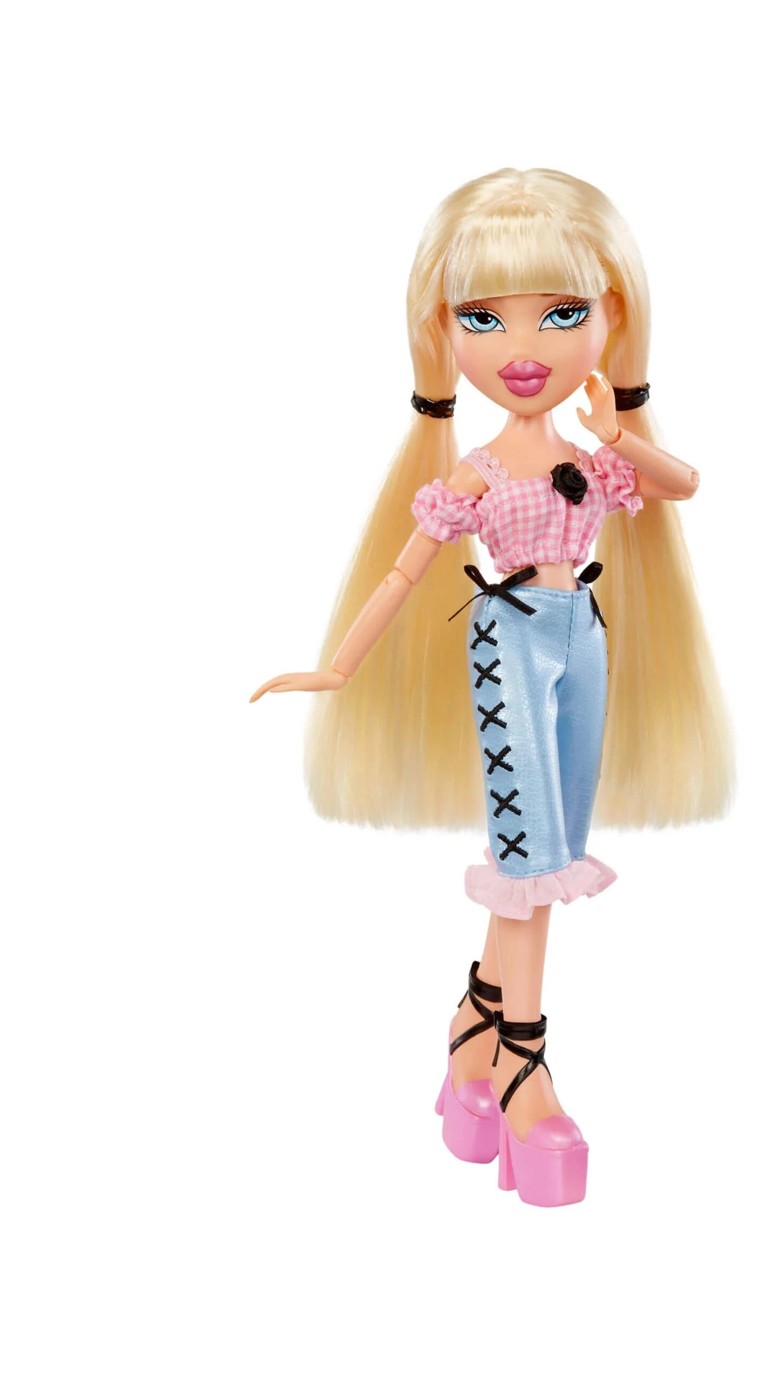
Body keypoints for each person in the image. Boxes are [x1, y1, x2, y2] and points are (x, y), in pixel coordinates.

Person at [251, 167, 732, 1206]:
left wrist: (618, 427)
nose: (523, 347)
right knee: (528, 855)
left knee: (552, 852)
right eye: (483, 317)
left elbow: (686, 483)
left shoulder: (599, 460)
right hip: (509, 636)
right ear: (444, 331)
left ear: (611, 318)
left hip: (583, 633)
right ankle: (523, 1061)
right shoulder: (473, 473)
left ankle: (474, 1026)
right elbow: (401, 574)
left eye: (561, 314)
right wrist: (335, 666)